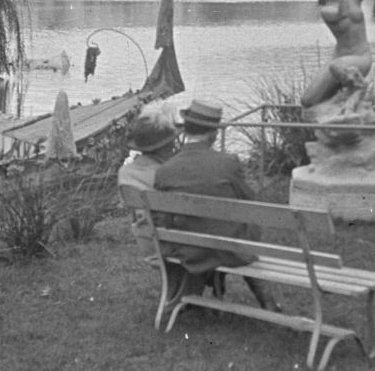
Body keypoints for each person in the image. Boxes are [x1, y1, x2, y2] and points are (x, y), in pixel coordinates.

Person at [153, 99, 281, 312]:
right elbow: (249, 202)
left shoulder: (164, 170)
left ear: (185, 129)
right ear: (213, 133)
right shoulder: (228, 163)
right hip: (228, 251)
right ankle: (266, 300)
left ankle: (210, 288)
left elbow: (162, 217)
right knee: (246, 229)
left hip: (188, 251)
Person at [300, 0, 375, 109]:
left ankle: (358, 92)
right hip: (339, 58)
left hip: (361, 57)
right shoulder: (327, 10)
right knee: (308, 100)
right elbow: (342, 13)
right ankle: (337, 104)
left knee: (337, 66)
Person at [117, 101, 180, 255]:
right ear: (166, 145)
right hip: (178, 248)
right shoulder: (171, 174)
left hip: (150, 247)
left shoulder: (125, 173)